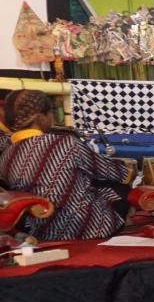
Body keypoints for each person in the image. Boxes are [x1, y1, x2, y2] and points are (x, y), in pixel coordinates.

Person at [0, 90, 131, 240]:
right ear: (40, 117)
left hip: (40, 231)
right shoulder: (64, 143)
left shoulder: (6, 155)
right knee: (118, 186)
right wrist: (127, 168)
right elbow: (118, 173)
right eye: (51, 113)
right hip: (82, 227)